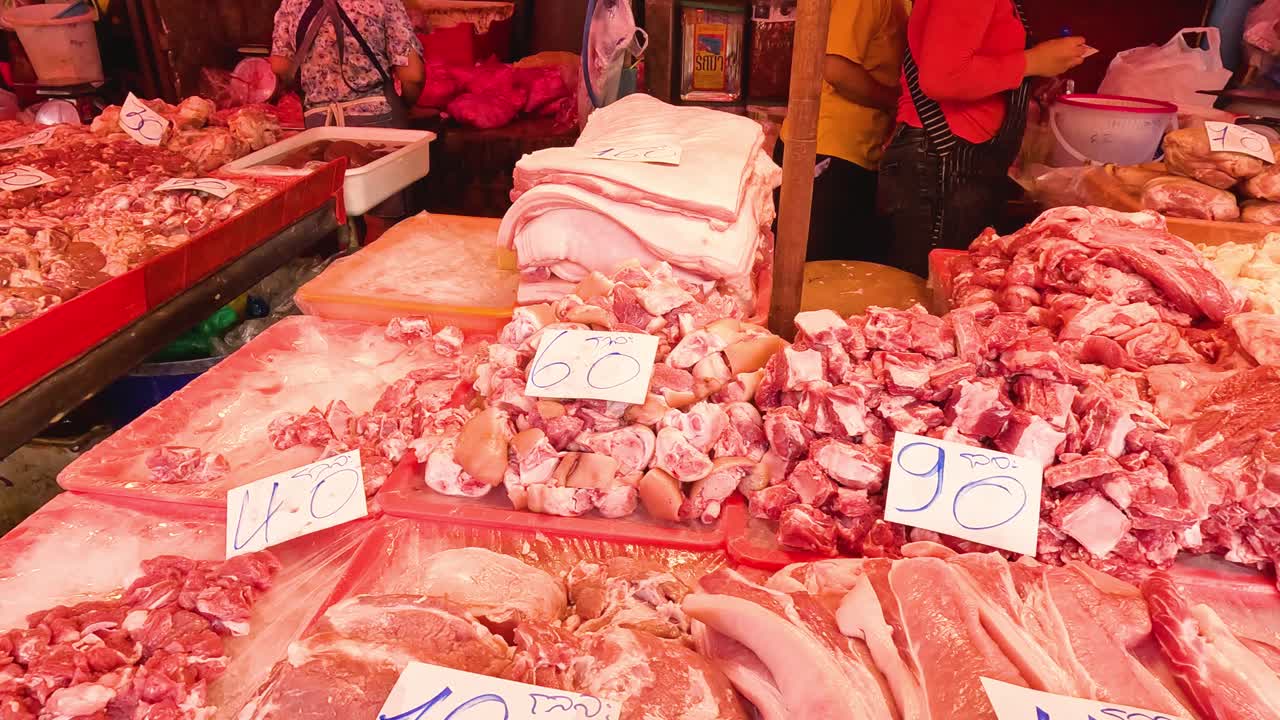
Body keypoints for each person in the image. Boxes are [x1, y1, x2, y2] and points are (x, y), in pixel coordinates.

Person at [877, 0, 1088, 276]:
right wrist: (1033, 61)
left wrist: (1038, 66)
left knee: (951, 287)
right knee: (928, 290)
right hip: (941, 160)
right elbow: (942, 78)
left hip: (961, 164)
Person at [776, 0, 907, 263]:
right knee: (813, 269)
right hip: (826, 151)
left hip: (860, 154)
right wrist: (895, 101)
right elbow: (835, 68)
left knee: (845, 269)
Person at [270, 0, 425, 129]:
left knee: (329, 159)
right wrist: (406, 104)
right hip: (377, 117)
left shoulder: (291, 4)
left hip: (319, 122)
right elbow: (413, 75)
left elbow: (280, 65)